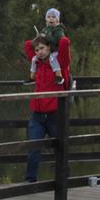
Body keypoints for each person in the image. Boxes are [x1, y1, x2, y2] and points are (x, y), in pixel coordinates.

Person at [22, 36, 62, 183]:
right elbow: (27, 44)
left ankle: (64, 178)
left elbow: (64, 43)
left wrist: (50, 33)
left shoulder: (57, 62)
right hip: (37, 113)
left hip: (54, 113)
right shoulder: (36, 63)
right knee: (34, 146)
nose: (39, 52)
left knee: (60, 147)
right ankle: (30, 179)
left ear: (49, 47)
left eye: (42, 48)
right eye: (37, 50)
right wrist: (38, 39)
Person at [40, 8, 74, 91]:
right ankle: (32, 76)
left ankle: (59, 75)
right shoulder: (45, 29)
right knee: (35, 59)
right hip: (47, 51)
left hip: (56, 51)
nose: (51, 18)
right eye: (49, 17)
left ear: (57, 20)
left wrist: (45, 37)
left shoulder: (59, 30)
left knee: (52, 58)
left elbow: (55, 41)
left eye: (53, 17)